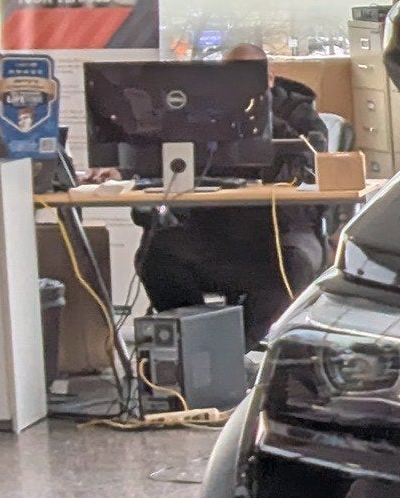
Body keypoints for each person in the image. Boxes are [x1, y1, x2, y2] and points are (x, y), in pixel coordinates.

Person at [131, 44, 337, 341]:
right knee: (156, 257)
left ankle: (238, 348)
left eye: (247, 76)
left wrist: (262, 115)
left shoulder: (297, 111)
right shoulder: (199, 111)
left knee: (293, 266)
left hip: (280, 229)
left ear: (270, 78)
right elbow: (163, 158)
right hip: (213, 226)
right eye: (231, 77)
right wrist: (123, 171)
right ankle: (198, 342)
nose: (238, 85)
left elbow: (310, 159)